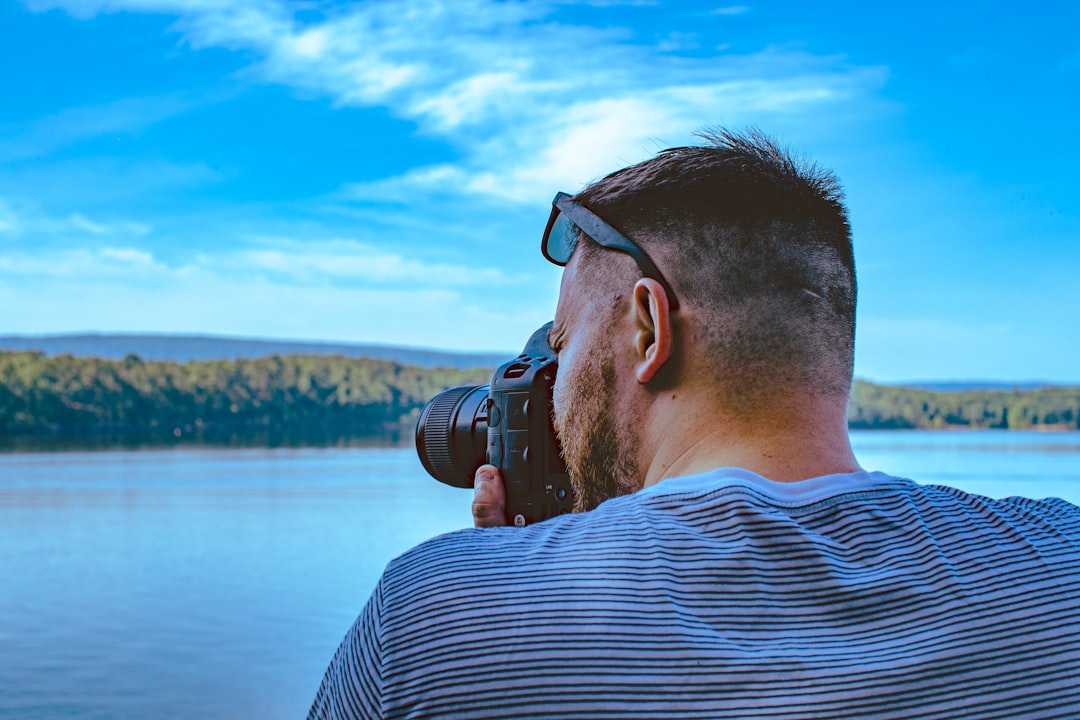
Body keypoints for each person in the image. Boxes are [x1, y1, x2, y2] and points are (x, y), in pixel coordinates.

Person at [308, 128, 1080, 719]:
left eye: (563, 344)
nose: (550, 384)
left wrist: (503, 593)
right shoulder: (1060, 565)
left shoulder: (435, 620)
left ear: (647, 330)